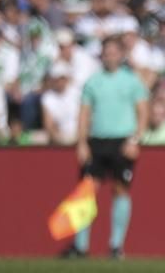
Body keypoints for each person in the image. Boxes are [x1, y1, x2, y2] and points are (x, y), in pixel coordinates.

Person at [63, 36, 147, 259]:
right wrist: (81, 142)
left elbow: (142, 112)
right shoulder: (93, 82)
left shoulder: (132, 81)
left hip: (122, 141)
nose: (109, 56)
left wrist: (136, 139)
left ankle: (116, 245)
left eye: (113, 52)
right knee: (87, 191)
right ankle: (81, 246)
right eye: (106, 52)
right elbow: (84, 114)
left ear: (121, 55)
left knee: (120, 189)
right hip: (97, 140)